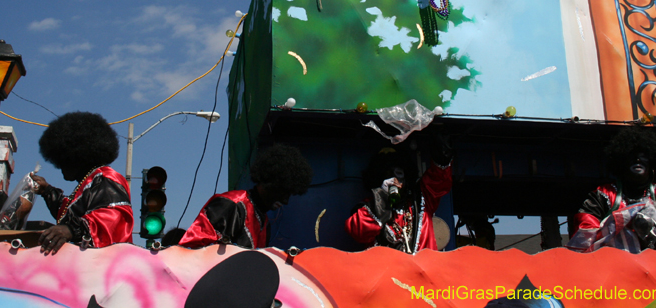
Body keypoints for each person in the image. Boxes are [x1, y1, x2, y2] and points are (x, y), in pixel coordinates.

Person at [568, 127, 656, 252]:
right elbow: (583, 234)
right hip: (613, 262)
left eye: (644, 155)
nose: (638, 159)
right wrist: (614, 225)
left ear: (653, 162)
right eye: (631, 155)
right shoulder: (603, 195)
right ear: (621, 162)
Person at [31, 112, 133, 255]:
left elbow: (113, 219)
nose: (59, 166)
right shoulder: (89, 183)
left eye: (64, 159)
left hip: (108, 265)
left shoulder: (106, 178)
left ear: (77, 156)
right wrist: (46, 191)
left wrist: (71, 230)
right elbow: (68, 214)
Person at [179, 143, 313, 249]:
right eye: (283, 192)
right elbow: (193, 249)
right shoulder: (231, 204)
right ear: (268, 181)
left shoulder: (264, 223)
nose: (285, 201)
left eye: (290, 194)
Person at [345, 132, 453, 253]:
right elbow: (358, 232)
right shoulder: (369, 207)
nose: (395, 180)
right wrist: (382, 198)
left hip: (422, 265)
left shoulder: (421, 199)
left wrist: (442, 146)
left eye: (398, 174)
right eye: (388, 175)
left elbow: (439, 179)